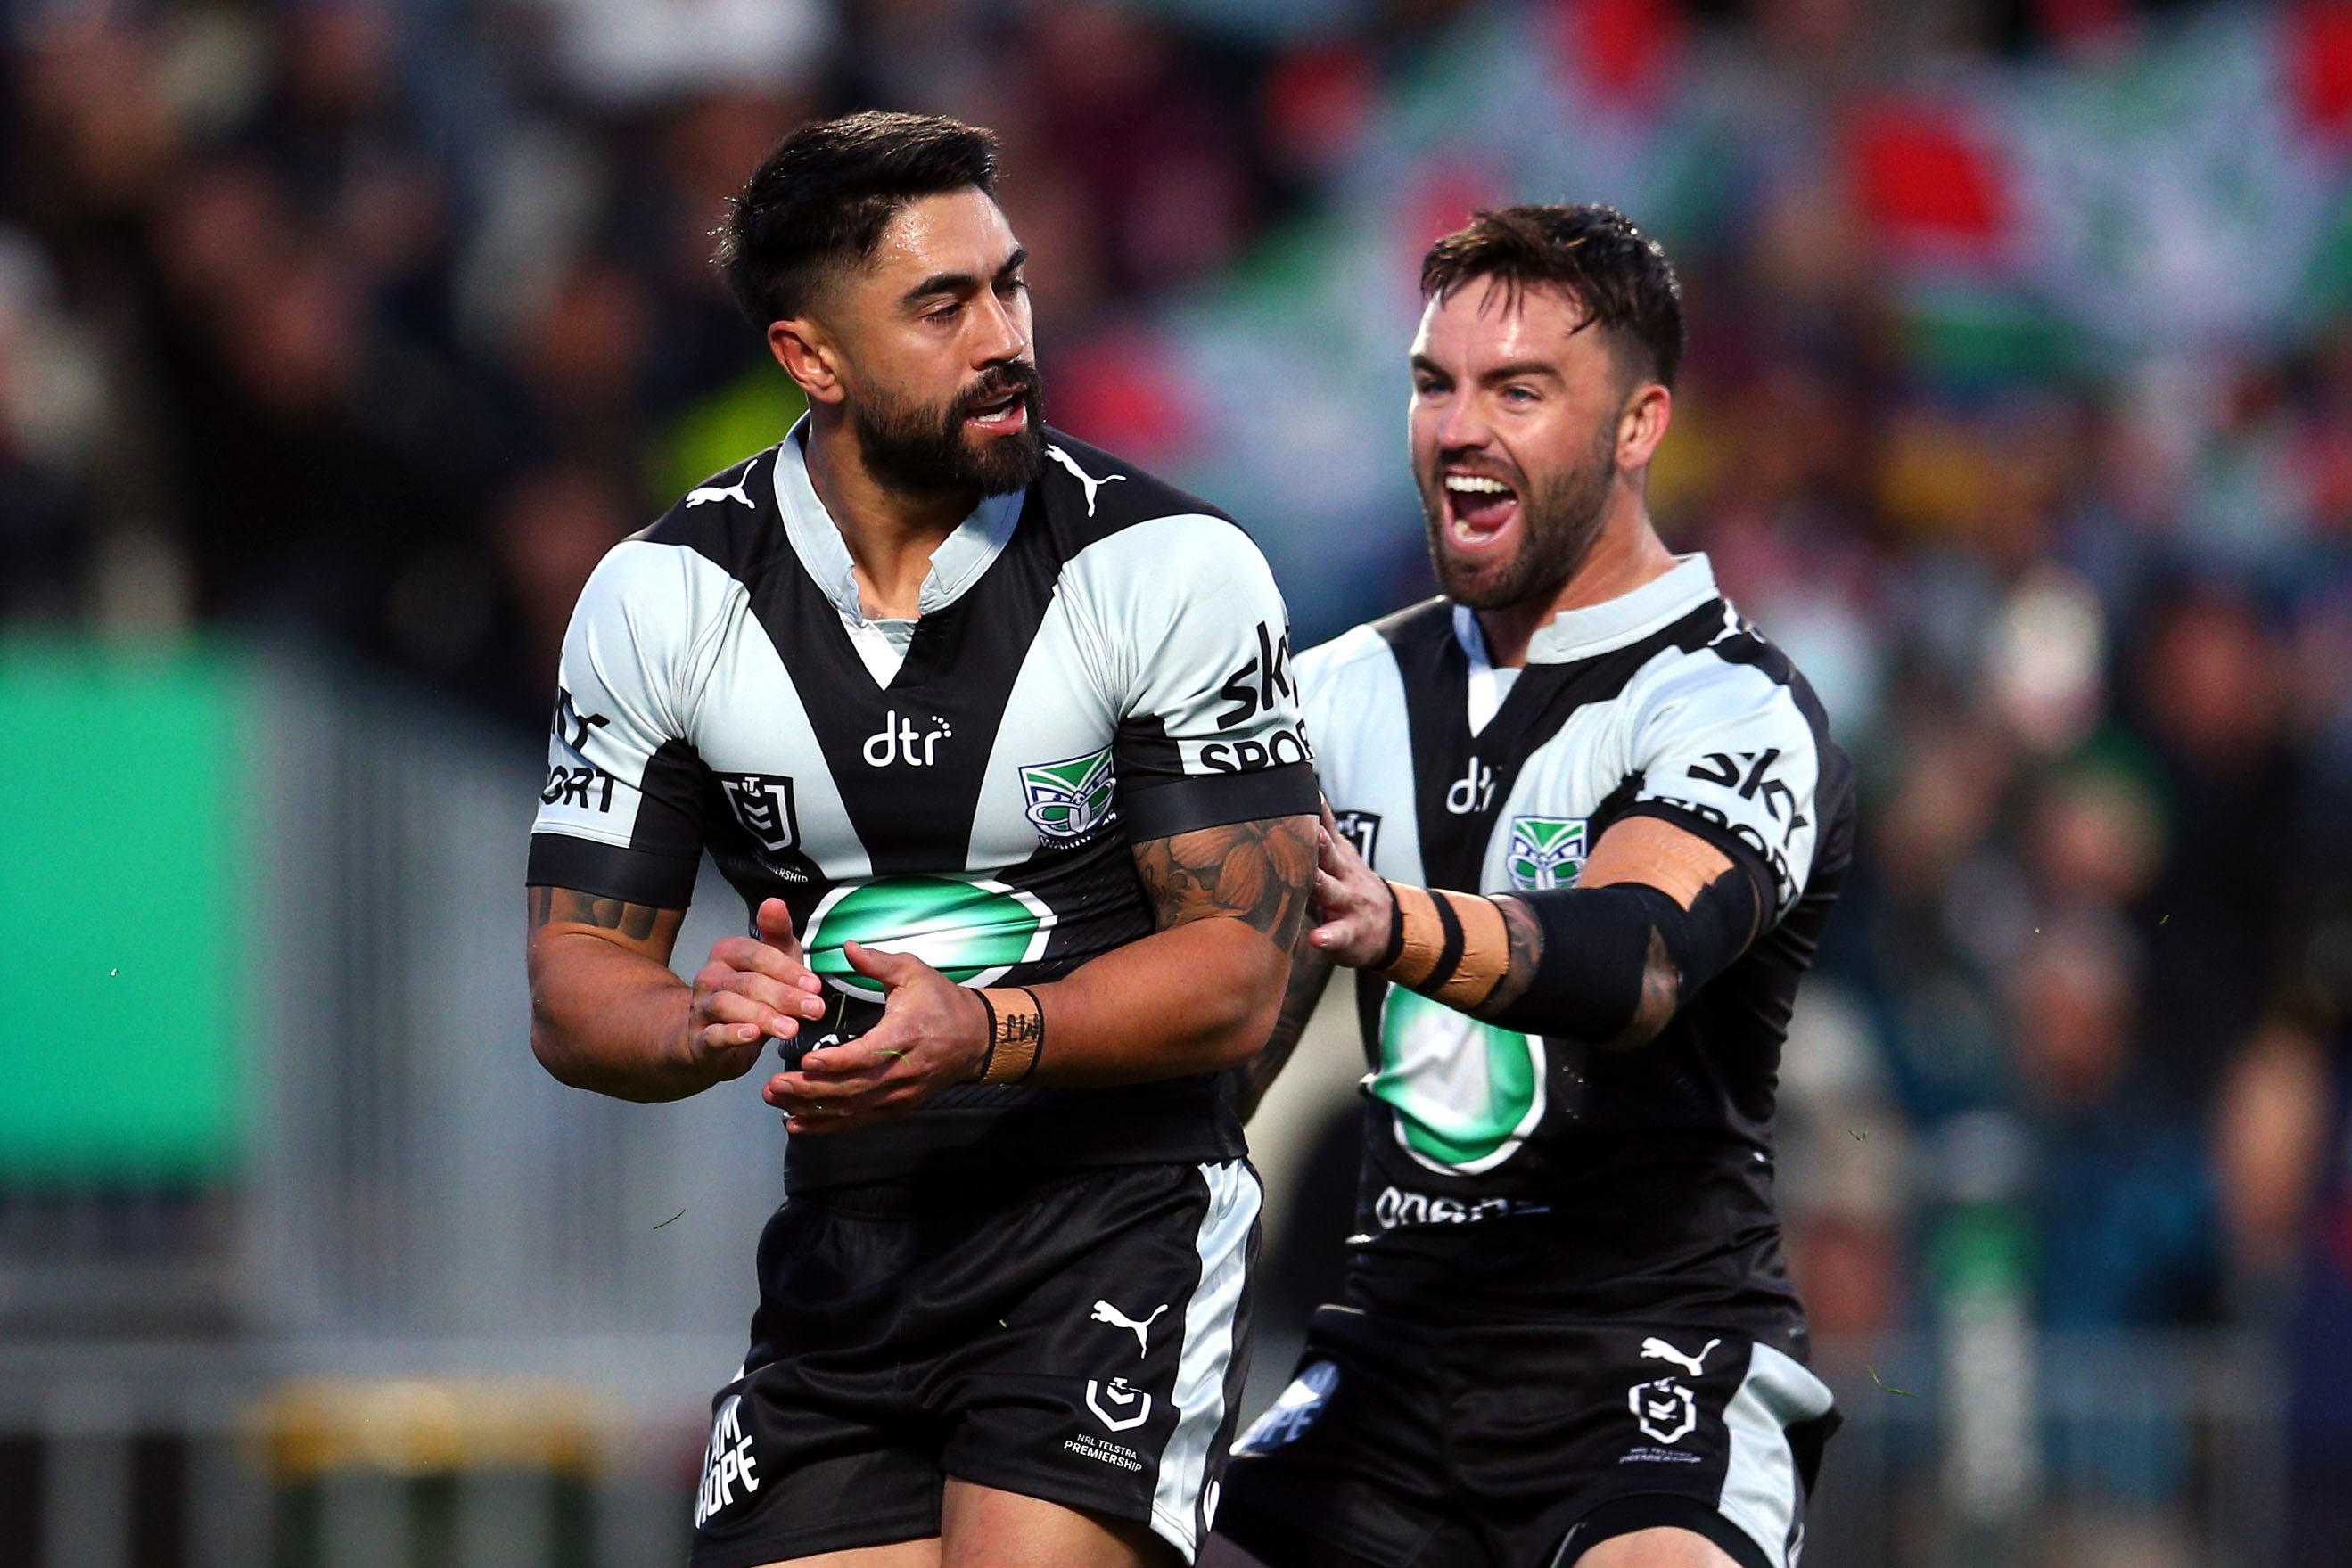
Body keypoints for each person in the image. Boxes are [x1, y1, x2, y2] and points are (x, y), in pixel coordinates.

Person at [522, 111, 1319, 1568]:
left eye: (1009, 285)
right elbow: (574, 980)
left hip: (1112, 1220)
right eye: (942, 306)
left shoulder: (1168, 568)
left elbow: (1238, 977)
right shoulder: (657, 603)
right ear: (810, 359)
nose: (1004, 334)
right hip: (848, 1250)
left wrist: (995, 1034)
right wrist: (689, 1018)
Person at [1206, 206, 1855, 1568]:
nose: (1458, 430)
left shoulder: (1726, 706)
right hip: (1383, 1361)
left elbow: (1637, 962)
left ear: (1637, 426)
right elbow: (1215, 1057)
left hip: (1649, 1360)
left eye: (1518, 391)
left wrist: (1395, 921)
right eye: (1432, 384)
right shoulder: (1328, 695)